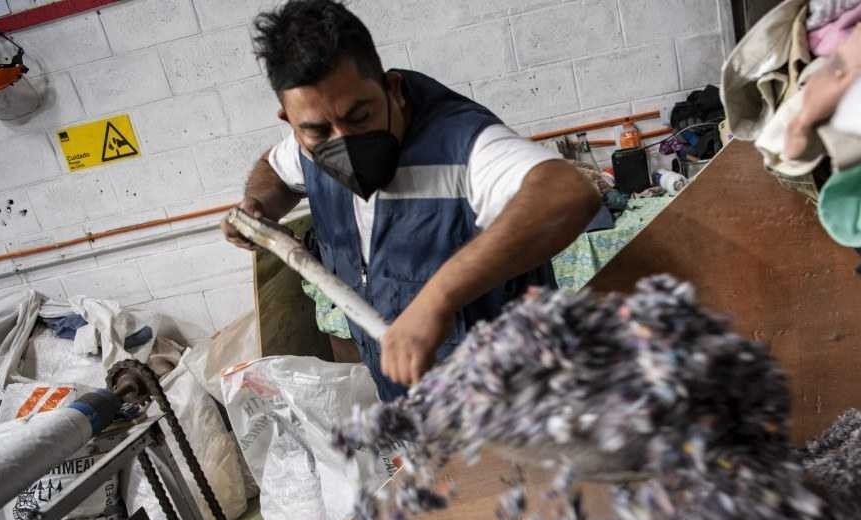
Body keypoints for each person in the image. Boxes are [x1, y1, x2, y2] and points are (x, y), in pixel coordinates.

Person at [222, 0, 599, 399]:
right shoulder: (308, 144)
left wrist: (437, 299)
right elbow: (274, 169)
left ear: (393, 90)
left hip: (515, 401)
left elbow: (567, 193)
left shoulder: (462, 144)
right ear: (292, 124)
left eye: (360, 116)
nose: (342, 141)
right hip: (417, 405)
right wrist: (257, 204)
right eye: (317, 130)